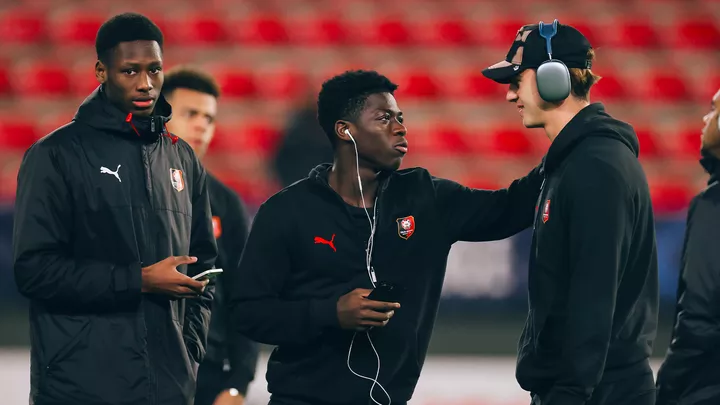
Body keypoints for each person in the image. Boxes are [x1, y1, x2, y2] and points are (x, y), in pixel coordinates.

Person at [226, 69, 544, 405]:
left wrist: (567, 137)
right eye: (384, 118)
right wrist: (330, 313)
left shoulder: (426, 198)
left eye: (400, 118)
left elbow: (513, 207)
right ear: (345, 130)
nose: (400, 127)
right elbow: (247, 313)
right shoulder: (286, 211)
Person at [12, 13, 218, 405]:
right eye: (130, 71)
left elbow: (205, 266)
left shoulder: (182, 158)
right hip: (81, 389)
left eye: (154, 69)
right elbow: (34, 271)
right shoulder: (55, 155)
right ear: (101, 71)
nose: (145, 83)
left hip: (170, 389)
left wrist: (189, 353)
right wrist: (138, 280)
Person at [482, 21, 659, 405]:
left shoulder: (595, 168)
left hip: (596, 394)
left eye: (517, 81)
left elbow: (593, 296)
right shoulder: (572, 160)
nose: (510, 95)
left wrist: (569, 393)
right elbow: (502, 208)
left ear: (554, 79)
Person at [163, 66, 259, 405]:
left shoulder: (226, 202)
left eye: (209, 118)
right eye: (190, 114)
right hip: (137, 370)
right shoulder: (127, 191)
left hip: (208, 374)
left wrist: (238, 385)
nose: (202, 125)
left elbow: (245, 295)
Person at [655, 88, 720, 405]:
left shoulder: (713, 205)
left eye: (714, 111)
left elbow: (699, 318)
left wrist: (666, 389)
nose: (706, 119)